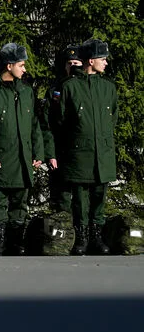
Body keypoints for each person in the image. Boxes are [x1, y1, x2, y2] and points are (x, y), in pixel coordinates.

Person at [50, 38, 116, 255]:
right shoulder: (69, 87)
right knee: (80, 200)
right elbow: (58, 121)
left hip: (102, 152)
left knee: (99, 197)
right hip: (79, 152)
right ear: (91, 60)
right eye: (102, 58)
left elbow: (112, 118)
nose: (106, 62)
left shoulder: (108, 87)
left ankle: (97, 237)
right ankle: (81, 237)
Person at [0, 44, 44, 255]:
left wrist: (38, 152)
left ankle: (16, 242)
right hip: (1, 157)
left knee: (20, 203)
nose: (24, 69)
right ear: (9, 66)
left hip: (23, 158)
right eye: (21, 65)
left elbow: (34, 125)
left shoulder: (26, 91)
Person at [42, 45, 82, 213]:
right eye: (69, 63)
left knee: (81, 200)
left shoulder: (89, 90)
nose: (72, 67)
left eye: (76, 63)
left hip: (82, 153)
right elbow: (47, 125)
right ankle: (61, 228)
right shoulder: (55, 90)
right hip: (60, 152)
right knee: (60, 200)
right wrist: (51, 154)